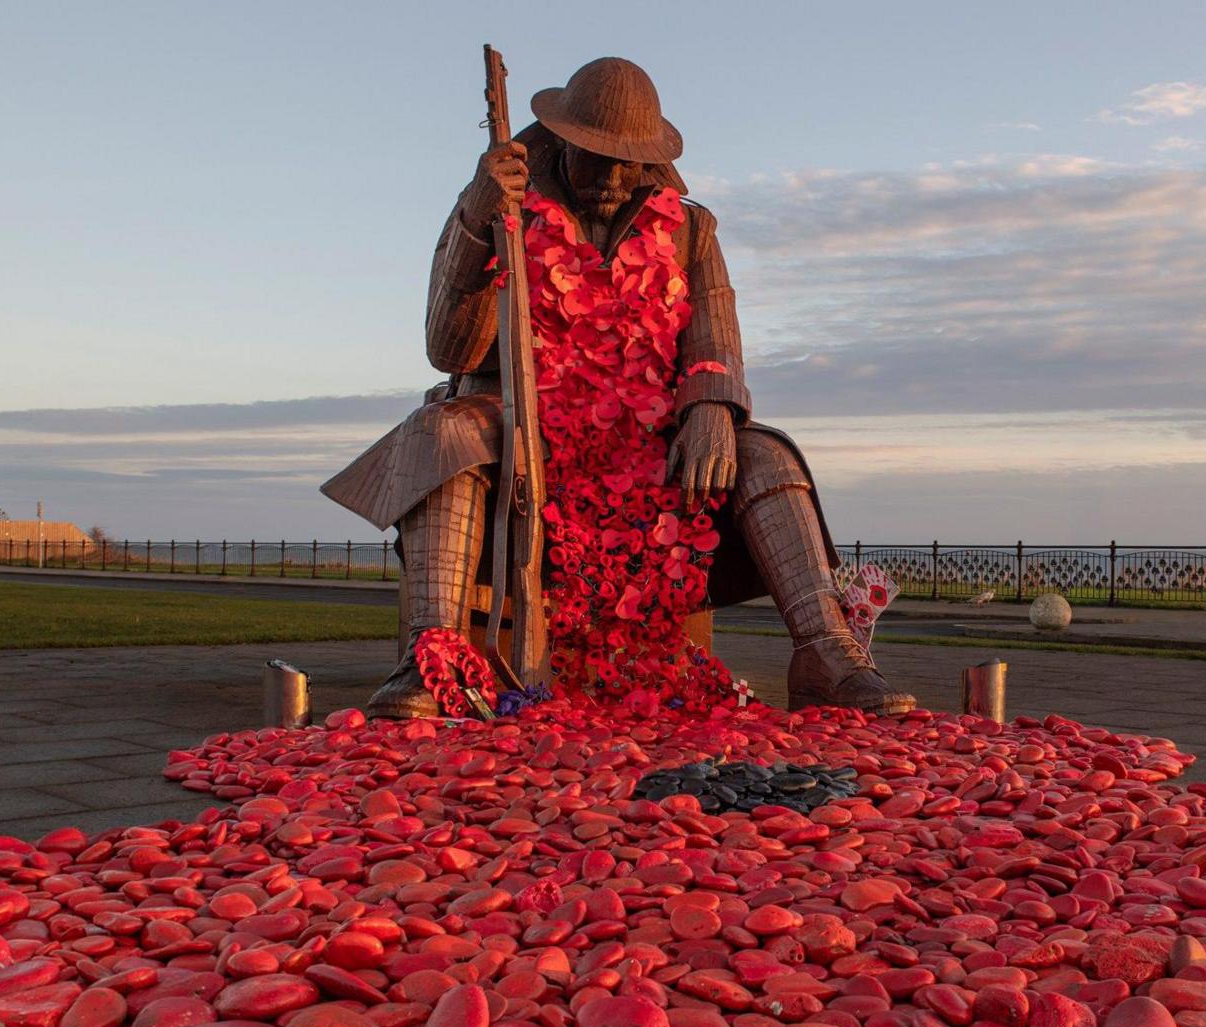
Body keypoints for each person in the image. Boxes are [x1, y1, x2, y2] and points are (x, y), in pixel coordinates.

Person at [325, 57, 912, 720]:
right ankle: (430, 658)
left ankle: (828, 653)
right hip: (518, 420)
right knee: (439, 431)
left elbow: (715, 335)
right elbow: (447, 348)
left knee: (768, 455)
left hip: (648, 438)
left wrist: (713, 405)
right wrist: (475, 220)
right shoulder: (499, 208)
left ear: (651, 163)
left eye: (625, 163)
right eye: (594, 159)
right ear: (561, 142)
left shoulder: (691, 230)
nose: (609, 179)